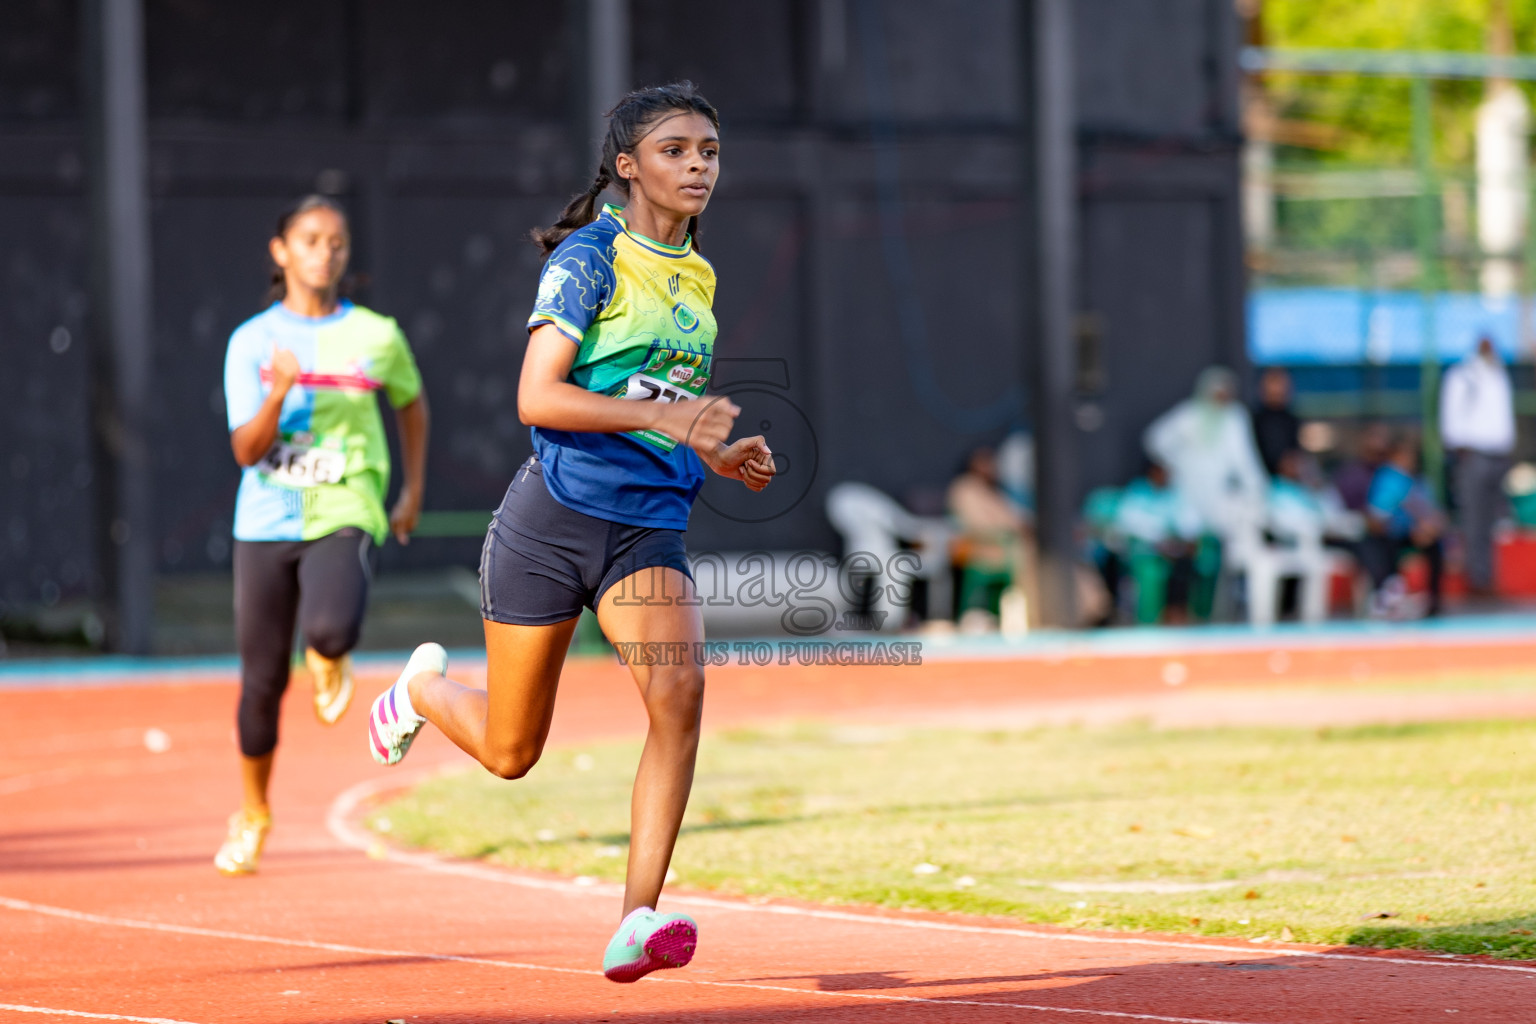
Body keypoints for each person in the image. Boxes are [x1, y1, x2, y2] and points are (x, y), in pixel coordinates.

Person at [365, 83, 775, 984]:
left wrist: (716, 451)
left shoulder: (698, 272)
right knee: (511, 754)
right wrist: (675, 423)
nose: (699, 164)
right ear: (628, 165)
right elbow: (538, 397)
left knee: (681, 704)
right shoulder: (590, 260)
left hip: (649, 533)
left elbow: (649, 405)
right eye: (676, 149)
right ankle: (422, 693)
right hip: (551, 525)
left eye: (709, 149)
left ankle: (637, 921)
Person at [218, 195, 429, 875]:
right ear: (282, 251)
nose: (325, 252)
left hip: (347, 501)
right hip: (266, 519)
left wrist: (412, 489)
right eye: (309, 240)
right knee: (261, 682)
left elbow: (411, 404)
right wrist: (278, 394)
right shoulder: (251, 341)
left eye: (336, 242)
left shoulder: (376, 335)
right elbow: (246, 451)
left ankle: (330, 653)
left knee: (332, 631)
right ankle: (253, 813)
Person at [1144, 366, 1268, 540]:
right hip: (1187, 489)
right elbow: (1155, 439)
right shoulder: (1189, 415)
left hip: (1219, 492)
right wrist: (1171, 463)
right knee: (1187, 533)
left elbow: (1245, 460)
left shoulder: (1234, 419)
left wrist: (1257, 490)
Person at [1440, 336, 1515, 595]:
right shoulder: (1464, 375)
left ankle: (1487, 577)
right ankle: (1476, 579)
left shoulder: (1499, 373)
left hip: (1498, 454)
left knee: (1493, 521)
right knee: (1473, 519)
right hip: (1474, 453)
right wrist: (1461, 449)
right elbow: (1450, 416)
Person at [1111, 460, 1215, 624]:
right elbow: (1128, 524)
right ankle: (1152, 618)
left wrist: (1186, 540)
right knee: (1156, 566)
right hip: (1146, 551)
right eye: (1161, 472)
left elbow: (1189, 522)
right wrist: (1159, 541)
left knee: (1190, 561)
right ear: (1152, 473)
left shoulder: (1174, 494)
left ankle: (1179, 613)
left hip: (1173, 549)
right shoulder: (1138, 492)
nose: (1165, 477)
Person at [946, 445, 1036, 629]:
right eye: (984, 462)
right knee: (1028, 561)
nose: (990, 467)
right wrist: (1011, 531)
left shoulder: (993, 491)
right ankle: (1034, 618)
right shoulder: (965, 489)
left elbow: (1014, 518)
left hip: (1010, 548)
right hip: (986, 551)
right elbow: (977, 526)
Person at [1361, 433, 1447, 619]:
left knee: (1435, 545)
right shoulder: (1387, 478)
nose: (1410, 460)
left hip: (1412, 534)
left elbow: (1432, 513)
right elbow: (1378, 517)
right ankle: (1388, 596)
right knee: (1383, 546)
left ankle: (1433, 601)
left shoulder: (1417, 480)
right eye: (1405, 455)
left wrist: (1426, 528)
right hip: (1390, 535)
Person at [1251, 366, 1300, 477]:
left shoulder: (1291, 419)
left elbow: (1295, 453)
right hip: (1258, 479)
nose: (1277, 388)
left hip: (1286, 483)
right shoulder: (1253, 419)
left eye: (1281, 383)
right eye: (1273, 382)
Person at [1333, 422, 1391, 513]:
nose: (1382, 444)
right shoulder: (1351, 475)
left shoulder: (1390, 471)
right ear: (1363, 439)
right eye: (1376, 436)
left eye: (1385, 438)